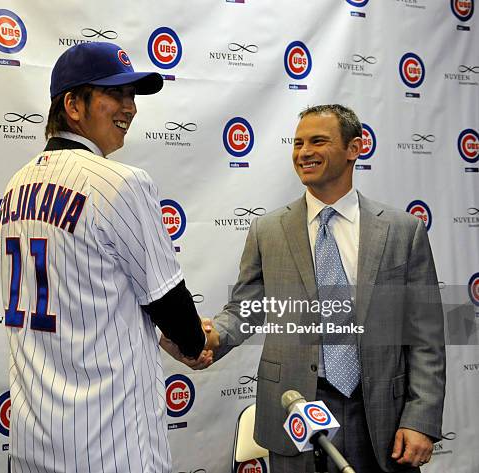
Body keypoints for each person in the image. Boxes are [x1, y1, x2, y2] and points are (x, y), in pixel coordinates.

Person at [162, 104, 445, 472]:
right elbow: (244, 311)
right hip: (292, 411)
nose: (304, 152)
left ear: (354, 148)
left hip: (380, 416)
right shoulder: (268, 230)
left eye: (318, 141)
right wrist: (205, 339)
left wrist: (420, 418)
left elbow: (426, 334)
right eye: (297, 143)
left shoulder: (402, 230)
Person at [0, 42, 209, 473]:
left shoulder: (15, 184)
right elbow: (170, 302)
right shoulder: (121, 182)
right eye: (115, 94)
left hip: (34, 436)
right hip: (110, 442)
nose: (129, 108)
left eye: (132, 96)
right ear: (73, 105)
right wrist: (192, 343)